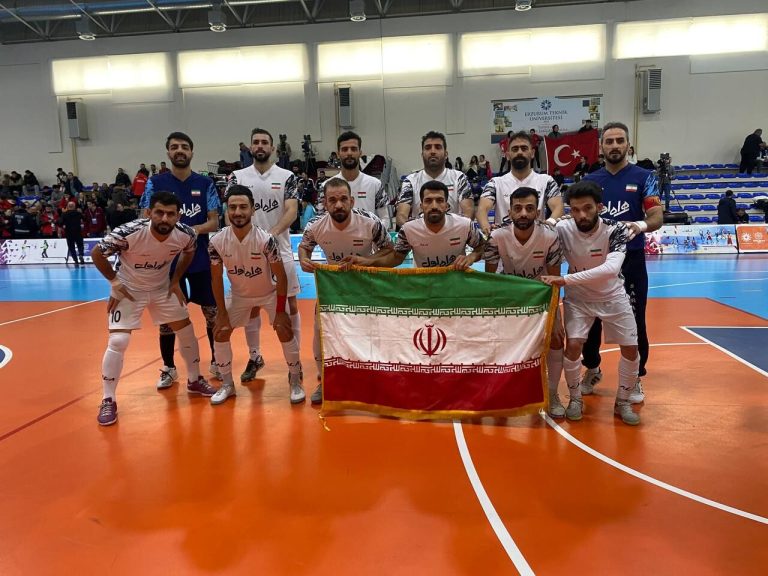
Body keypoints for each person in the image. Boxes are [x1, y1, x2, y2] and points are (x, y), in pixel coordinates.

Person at [91, 191, 213, 425]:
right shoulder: (128, 232)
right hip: (129, 289)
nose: (164, 218)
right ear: (148, 213)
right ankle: (108, 399)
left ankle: (194, 380)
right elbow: (97, 253)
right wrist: (115, 283)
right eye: (159, 213)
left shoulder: (186, 234)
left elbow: (189, 252)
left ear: (178, 216)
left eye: (170, 214)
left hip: (162, 288)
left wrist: (175, 280)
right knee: (118, 341)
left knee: (186, 330)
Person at [541, 180, 641, 425]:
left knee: (631, 348)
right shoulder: (563, 228)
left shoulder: (615, 229)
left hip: (613, 295)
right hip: (579, 299)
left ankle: (623, 401)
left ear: (600, 207)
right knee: (573, 345)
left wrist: (565, 279)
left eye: (587, 208)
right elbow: (538, 232)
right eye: (575, 210)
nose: (581, 215)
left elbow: (611, 269)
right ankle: (575, 399)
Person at [581, 121, 663, 401]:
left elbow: (656, 216)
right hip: (595, 259)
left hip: (631, 260)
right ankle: (592, 368)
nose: (614, 145)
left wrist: (640, 225)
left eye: (619, 140)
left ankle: (635, 378)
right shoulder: (591, 181)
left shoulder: (644, 177)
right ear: (601, 146)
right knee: (589, 321)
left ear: (628, 145)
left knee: (635, 320)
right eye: (609, 141)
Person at [298, 178, 394, 404]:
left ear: (352, 201)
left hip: (366, 287)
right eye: (332, 200)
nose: (338, 204)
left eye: (343, 199)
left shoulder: (370, 222)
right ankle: (325, 381)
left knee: (371, 334)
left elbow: (390, 251)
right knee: (321, 332)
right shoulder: (315, 225)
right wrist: (303, 260)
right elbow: (304, 247)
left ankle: (374, 378)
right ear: (324, 203)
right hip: (332, 287)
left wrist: (366, 260)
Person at [140, 131, 221, 390]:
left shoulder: (205, 183)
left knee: (212, 313)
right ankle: (169, 367)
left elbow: (214, 222)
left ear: (191, 152)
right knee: (167, 318)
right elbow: (144, 218)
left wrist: (187, 232)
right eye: (174, 147)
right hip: (165, 262)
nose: (179, 151)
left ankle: (217, 361)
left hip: (199, 259)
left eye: (184, 147)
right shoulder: (155, 182)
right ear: (168, 152)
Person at [208, 185, 304, 405]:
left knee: (284, 328)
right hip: (240, 296)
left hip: (269, 294)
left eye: (243, 207)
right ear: (226, 210)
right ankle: (227, 385)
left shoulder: (265, 240)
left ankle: (295, 380)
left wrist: (280, 311)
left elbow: (281, 277)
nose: (238, 212)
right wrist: (221, 313)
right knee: (220, 331)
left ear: (253, 210)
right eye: (233, 207)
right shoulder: (217, 242)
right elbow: (215, 279)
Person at [226, 127, 303, 385]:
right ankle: (255, 356)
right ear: (250, 147)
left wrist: (271, 234)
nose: (260, 146)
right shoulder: (236, 177)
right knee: (251, 306)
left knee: (290, 305)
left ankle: (295, 362)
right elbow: (229, 213)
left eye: (264, 142)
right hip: (247, 254)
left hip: (280, 250)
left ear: (273, 148)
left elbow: (291, 210)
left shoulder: (287, 176)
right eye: (256, 142)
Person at [483, 187, 565, 417]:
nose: (523, 213)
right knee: (500, 344)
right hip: (510, 298)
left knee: (556, 338)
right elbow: (490, 279)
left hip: (541, 296)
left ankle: (552, 393)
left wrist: (555, 316)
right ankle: (502, 392)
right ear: (509, 211)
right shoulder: (497, 236)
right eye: (517, 208)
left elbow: (555, 280)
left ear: (537, 212)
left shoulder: (550, 236)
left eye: (529, 208)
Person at [348, 180, 485, 270]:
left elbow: (482, 247)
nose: (434, 206)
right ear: (421, 206)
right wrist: (368, 262)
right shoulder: (408, 229)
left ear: (447, 206)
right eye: (428, 201)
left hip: (456, 286)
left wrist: (471, 257)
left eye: (439, 200)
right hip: (424, 287)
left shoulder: (465, 225)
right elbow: (396, 258)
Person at [476, 131, 564, 237]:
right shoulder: (495, 183)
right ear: (507, 155)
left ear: (532, 153)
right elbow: (482, 209)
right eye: (515, 149)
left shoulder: (546, 181)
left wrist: (549, 224)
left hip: (537, 240)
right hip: (504, 241)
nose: (519, 152)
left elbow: (558, 207)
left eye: (524, 148)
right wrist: (487, 229)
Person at [396, 131, 474, 228]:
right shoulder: (410, 181)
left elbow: (469, 211)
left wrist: (453, 231)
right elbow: (401, 215)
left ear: (446, 154)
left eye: (438, 147)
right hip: (421, 234)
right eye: (428, 147)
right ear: (422, 154)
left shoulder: (459, 177)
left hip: (453, 233)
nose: (433, 151)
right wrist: (415, 231)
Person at [317, 131, 388, 221]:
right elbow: (320, 220)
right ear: (338, 154)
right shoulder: (325, 186)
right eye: (345, 149)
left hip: (368, 230)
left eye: (353, 149)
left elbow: (385, 218)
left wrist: (374, 230)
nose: (349, 153)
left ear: (360, 153)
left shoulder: (375, 184)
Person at [59, 201, 85, 266]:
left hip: (69, 232)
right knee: (80, 245)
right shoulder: (78, 213)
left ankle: (75, 260)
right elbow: (85, 219)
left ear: (68, 206)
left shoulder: (64, 214)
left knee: (71, 247)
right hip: (78, 232)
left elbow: (60, 223)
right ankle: (81, 254)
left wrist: (63, 225)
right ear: (74, 206)